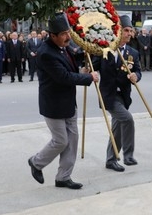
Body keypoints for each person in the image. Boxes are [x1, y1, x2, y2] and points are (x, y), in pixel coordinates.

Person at [27, 13, 99, 189]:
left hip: (68, 103)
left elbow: (71, 68)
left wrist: (84, 65)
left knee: (72, 140)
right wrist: (88, 78)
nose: (68, 37)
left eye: (69, 32)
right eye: (64, 34)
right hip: (54, 105)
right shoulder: (46, 54)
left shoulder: (63, 47)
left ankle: (63, 177)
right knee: (61, 141)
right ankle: (36, 162)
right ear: (53, 35)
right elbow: (64, 77)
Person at [97, 15, 142, 172]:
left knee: (117, 128)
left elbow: (137, 71)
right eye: (126, 30)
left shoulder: (133, 53)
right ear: (118, 31)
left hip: (123, 96)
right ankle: (128, 155)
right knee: (127, 120)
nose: (129, 34)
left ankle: (110, 160)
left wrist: (136, 76)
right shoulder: (105, 49)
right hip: (109, 96)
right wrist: (87, 70)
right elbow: (91, 65)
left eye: (131, 31)